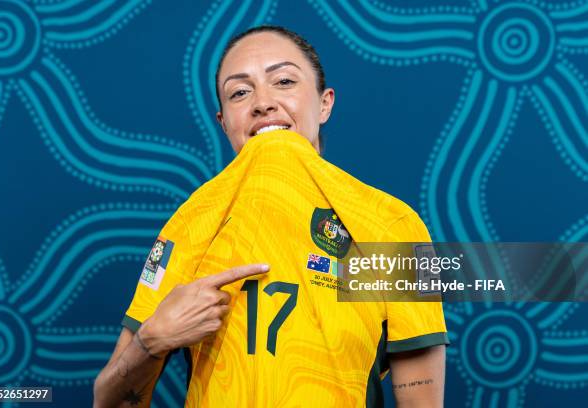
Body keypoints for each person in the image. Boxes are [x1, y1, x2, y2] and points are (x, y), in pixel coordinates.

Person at [94, 25, 447, 407]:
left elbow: (422, 403)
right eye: (240, 92)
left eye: (283, 81)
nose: (263, 103)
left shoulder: (393, 223)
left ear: (325, 103)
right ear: (223, 121)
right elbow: (111, 402)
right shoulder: (190, 224)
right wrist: (151, 342)